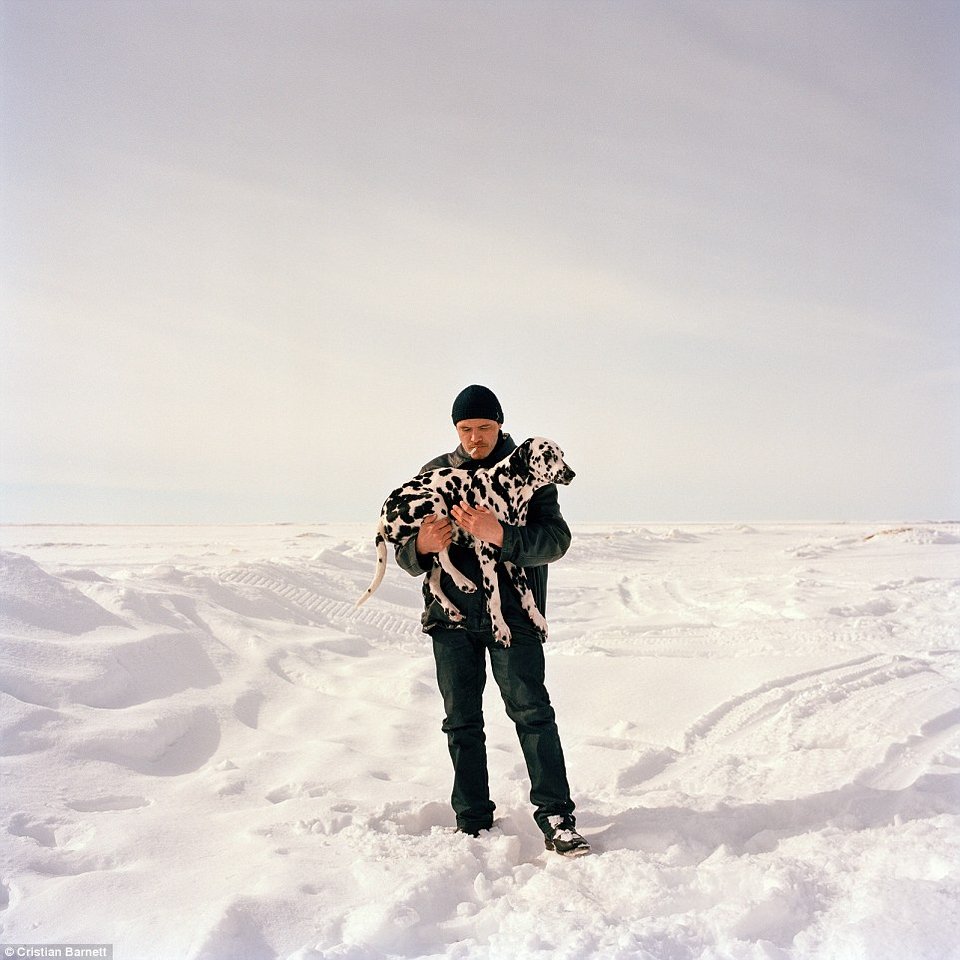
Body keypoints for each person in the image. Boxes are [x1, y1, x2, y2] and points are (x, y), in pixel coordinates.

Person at [394, 384, 589, 857]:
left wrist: (499, 533)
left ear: (500, 424)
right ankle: (472, 819)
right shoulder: (435, 473)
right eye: (466, 429)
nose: (475, 438)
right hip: (452, 617)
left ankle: (556, 815)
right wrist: (420, 546)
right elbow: (405, 552)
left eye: (484, 427)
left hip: (515, 615)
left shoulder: (530, 471)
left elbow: (555, 540)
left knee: (532, 714)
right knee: (460, 720)